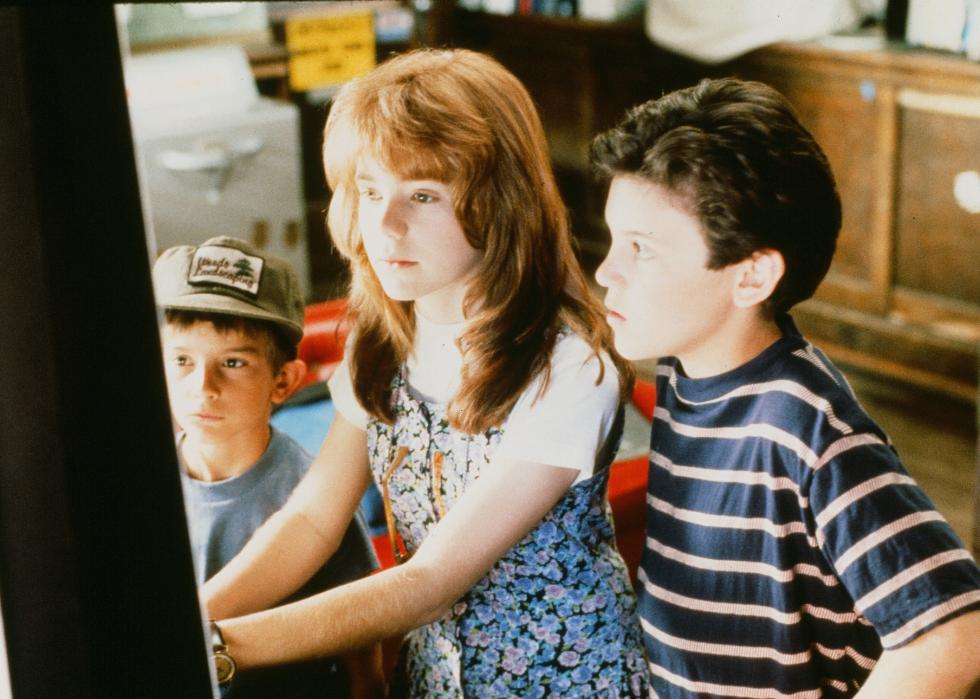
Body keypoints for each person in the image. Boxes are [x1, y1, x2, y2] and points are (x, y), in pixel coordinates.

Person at [199, 49, 649, 698]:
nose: (385, 225)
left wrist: (221, 647)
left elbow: (431, 582)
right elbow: (313, 520)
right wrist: (195, 614)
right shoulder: (380, 340)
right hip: (438, 679)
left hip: (566, 682)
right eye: (370, 189)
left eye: (423, 195)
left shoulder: (569, 364)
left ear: (500, 203)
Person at [590, 77, 980, 698]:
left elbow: (953, 636)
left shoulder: (808, 430)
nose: (606, 271)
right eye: (614, 241)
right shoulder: (685, 374)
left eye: (642, 249)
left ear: (751, 277)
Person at [153, 236, 383, 698]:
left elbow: (359, 633)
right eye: (181, 360)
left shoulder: (314, 492)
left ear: (284, 381)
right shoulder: (140, 480)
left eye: (233, 362)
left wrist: (368, 687)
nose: (204, 386)